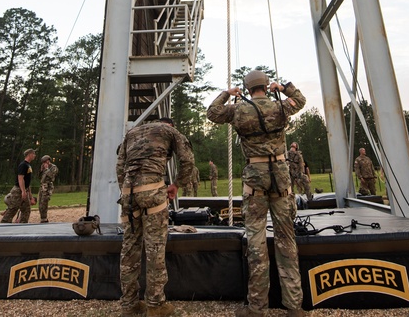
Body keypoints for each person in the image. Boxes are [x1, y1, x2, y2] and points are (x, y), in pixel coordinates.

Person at [207, 69, 307, 317]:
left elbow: (213, 113)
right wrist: (283, 88)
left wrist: (227, 94)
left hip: (255, 175)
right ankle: (294, 306)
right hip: (281, 174)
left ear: (247, 87)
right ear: (265, 85)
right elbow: (301, 101)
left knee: (256, 241)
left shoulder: (239, 110)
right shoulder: (280, 107)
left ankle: (257, 307)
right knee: (286, 240)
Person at [117, 117, 195, 317]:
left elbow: (120, 165)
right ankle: (155, 304)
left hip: (128, 193)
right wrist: (177, 184)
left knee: (129, 250)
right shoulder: (170, 132)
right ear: (170, 125)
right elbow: (188, 160)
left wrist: (126, 191)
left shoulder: (132, 133)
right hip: (153, 191)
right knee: (155, 249)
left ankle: (129, 304)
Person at [1, 149, 36, 223]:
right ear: (29, 154)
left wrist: (30, 195)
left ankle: (23, 224)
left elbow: (27, 182)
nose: (34, 156)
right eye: (33, 154)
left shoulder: (28, 165)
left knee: (26, 209)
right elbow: (20, 178)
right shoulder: (23, 165)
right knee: (13, 208)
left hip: (25, 189)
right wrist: (23, 191)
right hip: (18, 190)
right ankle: (4, 222)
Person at [37, 154, 58, 223]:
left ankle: (44, 218)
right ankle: (42, 217)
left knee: (44, 202)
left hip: (48, 186)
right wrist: (41, 170)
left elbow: (52, 177)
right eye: (43, 162)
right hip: (42, 186)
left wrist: (46, 169)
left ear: (48, 161)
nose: (44, 163)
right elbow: (39, 177)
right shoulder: (43, 167)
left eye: (45, 162)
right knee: (40, 203)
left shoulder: (53, 167)